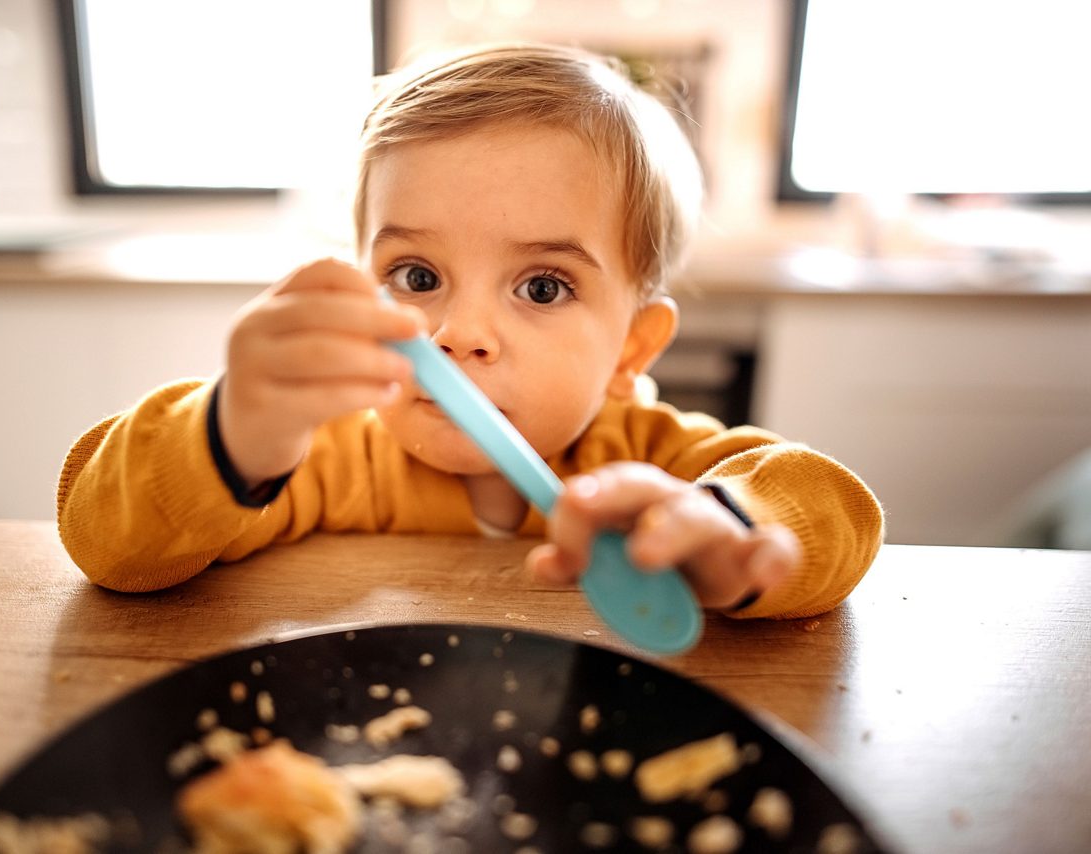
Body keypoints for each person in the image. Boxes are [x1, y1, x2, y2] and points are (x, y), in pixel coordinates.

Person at [57, 43, 883, 620]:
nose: (458, 333)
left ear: (632, 349)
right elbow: (108, 545)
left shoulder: (642, 465)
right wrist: (230, 438)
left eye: (542, 286)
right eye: (417, 278)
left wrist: (723, 529)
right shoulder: (325, 456)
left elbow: (830, 505)